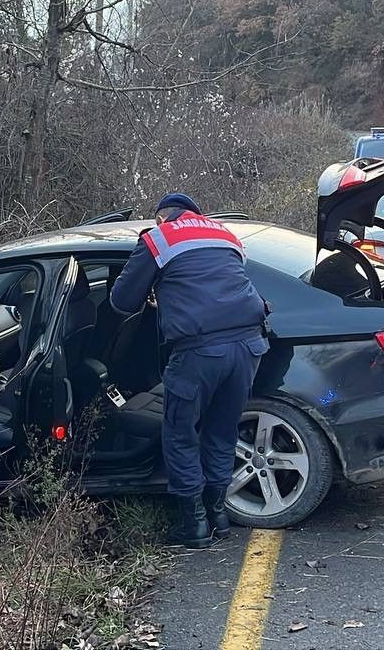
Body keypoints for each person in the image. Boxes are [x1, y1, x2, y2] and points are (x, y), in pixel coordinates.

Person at [109, 193, 270, 548]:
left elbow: (122, 301)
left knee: (180, 433)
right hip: (248, 347)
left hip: (200, 352)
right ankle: (218, 516)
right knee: (222, 430)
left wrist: (153, 284)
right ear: (198, 214)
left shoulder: (159, 238)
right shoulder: (225, 234)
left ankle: (193, 524)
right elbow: (220, 282)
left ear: (161, 218)